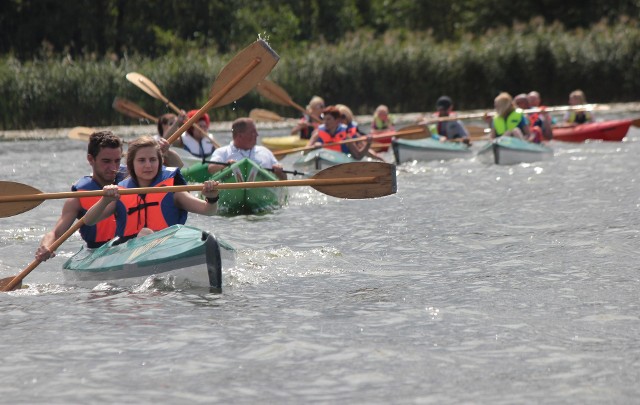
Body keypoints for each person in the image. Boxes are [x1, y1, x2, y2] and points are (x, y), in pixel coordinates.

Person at [83, 136, 220, 243]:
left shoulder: (173, 191)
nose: (148, 165)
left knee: (146, 233)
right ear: (132, 164)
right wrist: (104, 200)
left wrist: (212, 198)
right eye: (142, 160)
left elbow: (208, 210)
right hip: (129, 252)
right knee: (145, 233)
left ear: (159, 162)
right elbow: (88, 221)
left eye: (153, 160)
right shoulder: (121, 192)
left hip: (167, 246)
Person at [35, 131, 126, 261]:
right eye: (106, 161)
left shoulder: (131, 179)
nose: (113, 167)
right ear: (90, 159)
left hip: (129, 246)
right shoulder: (77, 198)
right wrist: (46, 247)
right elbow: (55, 233)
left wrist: (165, 154)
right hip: (97, 253)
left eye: (117, 161)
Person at [207, 117, 286, 180]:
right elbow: (211, 169)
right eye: (253, 132)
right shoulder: (222, 152)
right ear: (240, 136)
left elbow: (284, 178)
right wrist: (225, 167)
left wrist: (280, 173)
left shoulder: (265, 152)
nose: (257, 135)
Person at [307, 105, 372, 160]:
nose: (325, 122)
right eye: (324, 119)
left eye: (329, 119)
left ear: (337, 120)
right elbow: (305, 152)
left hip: (339, 164)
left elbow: (358, 156)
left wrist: (368, 144)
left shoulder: (346, 136)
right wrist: (313, 148)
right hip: (323, 163)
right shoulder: (317, 134)